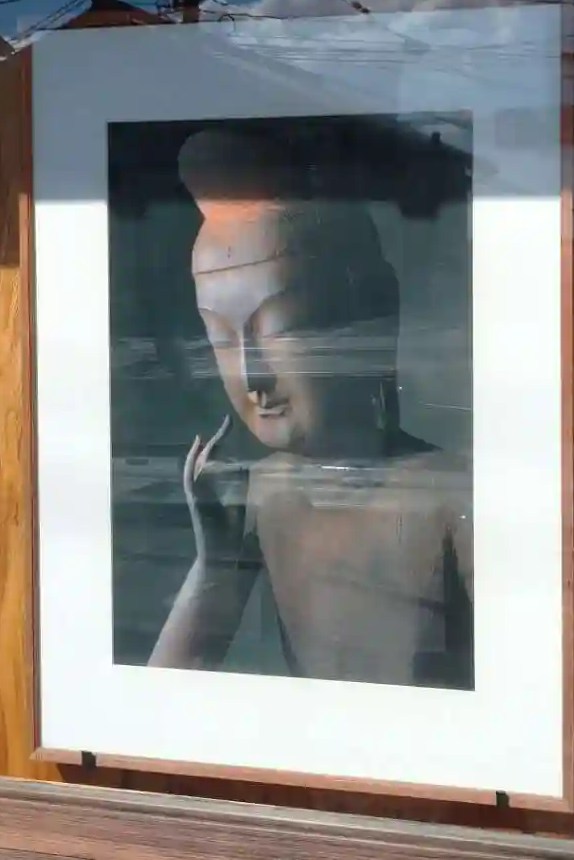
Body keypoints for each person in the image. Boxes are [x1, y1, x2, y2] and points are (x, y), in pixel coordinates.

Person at [147, 125, 474, 689]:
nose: (252, 376)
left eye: (281, 327)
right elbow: (162, 694)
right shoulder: (265, 492)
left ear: (374, 310)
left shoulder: (453, 497)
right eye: (221, 337)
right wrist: (215, 564)